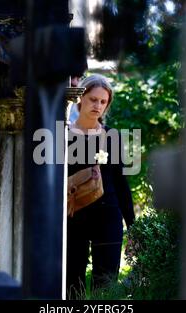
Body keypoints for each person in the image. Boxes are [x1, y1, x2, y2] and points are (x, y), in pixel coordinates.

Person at [66, 74, 135, 298]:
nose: (98, 106)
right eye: (93, 99)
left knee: (105, 286)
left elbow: (121, 184)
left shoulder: (111, 136)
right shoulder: (63, 135)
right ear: (80, 99)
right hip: (73, 216)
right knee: (70, 284)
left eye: (103, 101)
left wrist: (132, 226)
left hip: (108, 217)